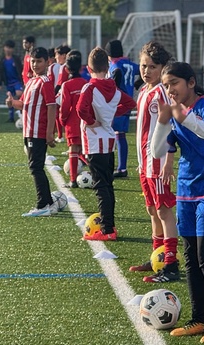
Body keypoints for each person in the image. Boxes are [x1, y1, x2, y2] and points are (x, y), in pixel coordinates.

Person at [151, 61, 204, 344]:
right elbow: (157, 149)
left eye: (174, 82)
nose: (169, 89)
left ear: (190, 82)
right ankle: (198, 319)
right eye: (165, 85)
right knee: (190, 257)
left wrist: (182, 116)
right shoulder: (174, 113)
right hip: (186, 190)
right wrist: (164, 120)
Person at [129, 40, 179, 284]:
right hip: (144, 163)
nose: (146, 71)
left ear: (162, 68)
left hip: (157, 162)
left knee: (163, 210)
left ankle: (170, 263)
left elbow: (170, 127)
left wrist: (168, 160)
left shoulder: (161, 93)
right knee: (151, 209)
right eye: (143, 65)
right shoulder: (144, 91)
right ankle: (156, 256)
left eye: (151, 66)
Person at [78, 46, 137, 241]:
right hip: (109, 142)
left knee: (101, 186)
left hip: (94, 143)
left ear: (88, 68)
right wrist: (111, 114)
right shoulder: (114, 88)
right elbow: (130, 104)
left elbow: (80, 109)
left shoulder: (90, 87)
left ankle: (107, 229)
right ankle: (110, 225)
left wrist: (91, 121)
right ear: (107, 67)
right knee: (107, 185)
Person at [6, 46, 58, 217]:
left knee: (36, 167)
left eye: (39, 61)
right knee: (36, 167)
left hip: (38, 132)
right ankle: (49, 202)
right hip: (28, 131)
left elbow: (52, 107)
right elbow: (24, 104)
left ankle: (42, 204)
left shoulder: (46, 82)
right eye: (33, 61)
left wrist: (50, 133)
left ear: (47, 62)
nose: (35, 65)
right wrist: (12, 103)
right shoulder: (31, 82)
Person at [106, 39, 139, 178]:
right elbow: (141, 69)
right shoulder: (129, 63)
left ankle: (116, 168)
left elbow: (117, 74)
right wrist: (139, 82)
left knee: (110, 133)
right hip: (128, 101)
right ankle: (122, 167)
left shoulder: (115, 64)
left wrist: (112, 90)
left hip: (118, 102)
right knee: (120, 134)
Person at [58, 52, 89, 188]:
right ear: (81, 68)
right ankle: (96, 174)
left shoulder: (66, 85)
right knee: (85, 151)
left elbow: (65, 107)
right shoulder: (86, 83)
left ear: (66, 69)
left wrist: (63, 119)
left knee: (73, 150)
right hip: (85, 122)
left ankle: (73, 180)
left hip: (72, 121)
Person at [49, 44, 71, 142]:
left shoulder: (63, 67)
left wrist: (52, 95)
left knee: (59, 113)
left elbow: (60, 83)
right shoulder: (73, 66)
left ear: (64, 55)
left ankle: (61, 136)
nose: (55, 57)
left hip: (65, 95)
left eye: (57, 54)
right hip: (73, 94)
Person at [0, 39, 23, 123]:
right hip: (8, 83)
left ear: (13, 49)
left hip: (17, 81)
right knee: (10, 98)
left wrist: (22, 80)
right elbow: (0, 72)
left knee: (19, 93)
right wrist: (0, 83)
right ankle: (11, 117)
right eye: (7, 47)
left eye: (10, 48)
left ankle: (20, 112)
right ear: (4, 48)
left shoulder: (16, 59)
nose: (8, 49)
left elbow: (21, 70)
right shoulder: (3, 60)